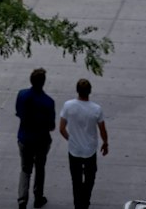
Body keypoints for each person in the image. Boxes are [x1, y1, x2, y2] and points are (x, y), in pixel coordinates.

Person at [59, 79, 108, 209]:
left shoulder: (68, 105)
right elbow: (102, 129)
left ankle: (78, 204)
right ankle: (85, 201)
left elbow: (62, 129)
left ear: (77, 90)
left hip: (74, 150)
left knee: (76, 180)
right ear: (90, 91)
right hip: (89, 150)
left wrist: (71, 140)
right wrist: (105, 143)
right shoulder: (96, 109)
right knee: (90, 178)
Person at [16, 66, 55, 209]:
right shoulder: (48, 102)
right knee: (40, 168)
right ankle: (38, 197)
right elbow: (51, 126)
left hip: (25, 138)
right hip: (41, 140)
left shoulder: (22, 95)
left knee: (25, 169)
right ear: (43, 82)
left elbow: (19, 113)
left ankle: (22, 199)